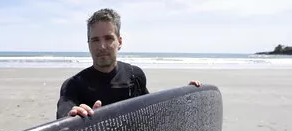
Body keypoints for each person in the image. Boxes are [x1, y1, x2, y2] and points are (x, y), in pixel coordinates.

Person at [56, 8, 201, 119]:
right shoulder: (73, 85)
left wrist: (185, 96)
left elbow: (153, 110)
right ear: (88, 44)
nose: (102, 46)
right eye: (95, 40)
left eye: (108, 38)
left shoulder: (135, 76)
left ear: (119, 42)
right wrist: (71, 116)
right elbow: (64, 111)